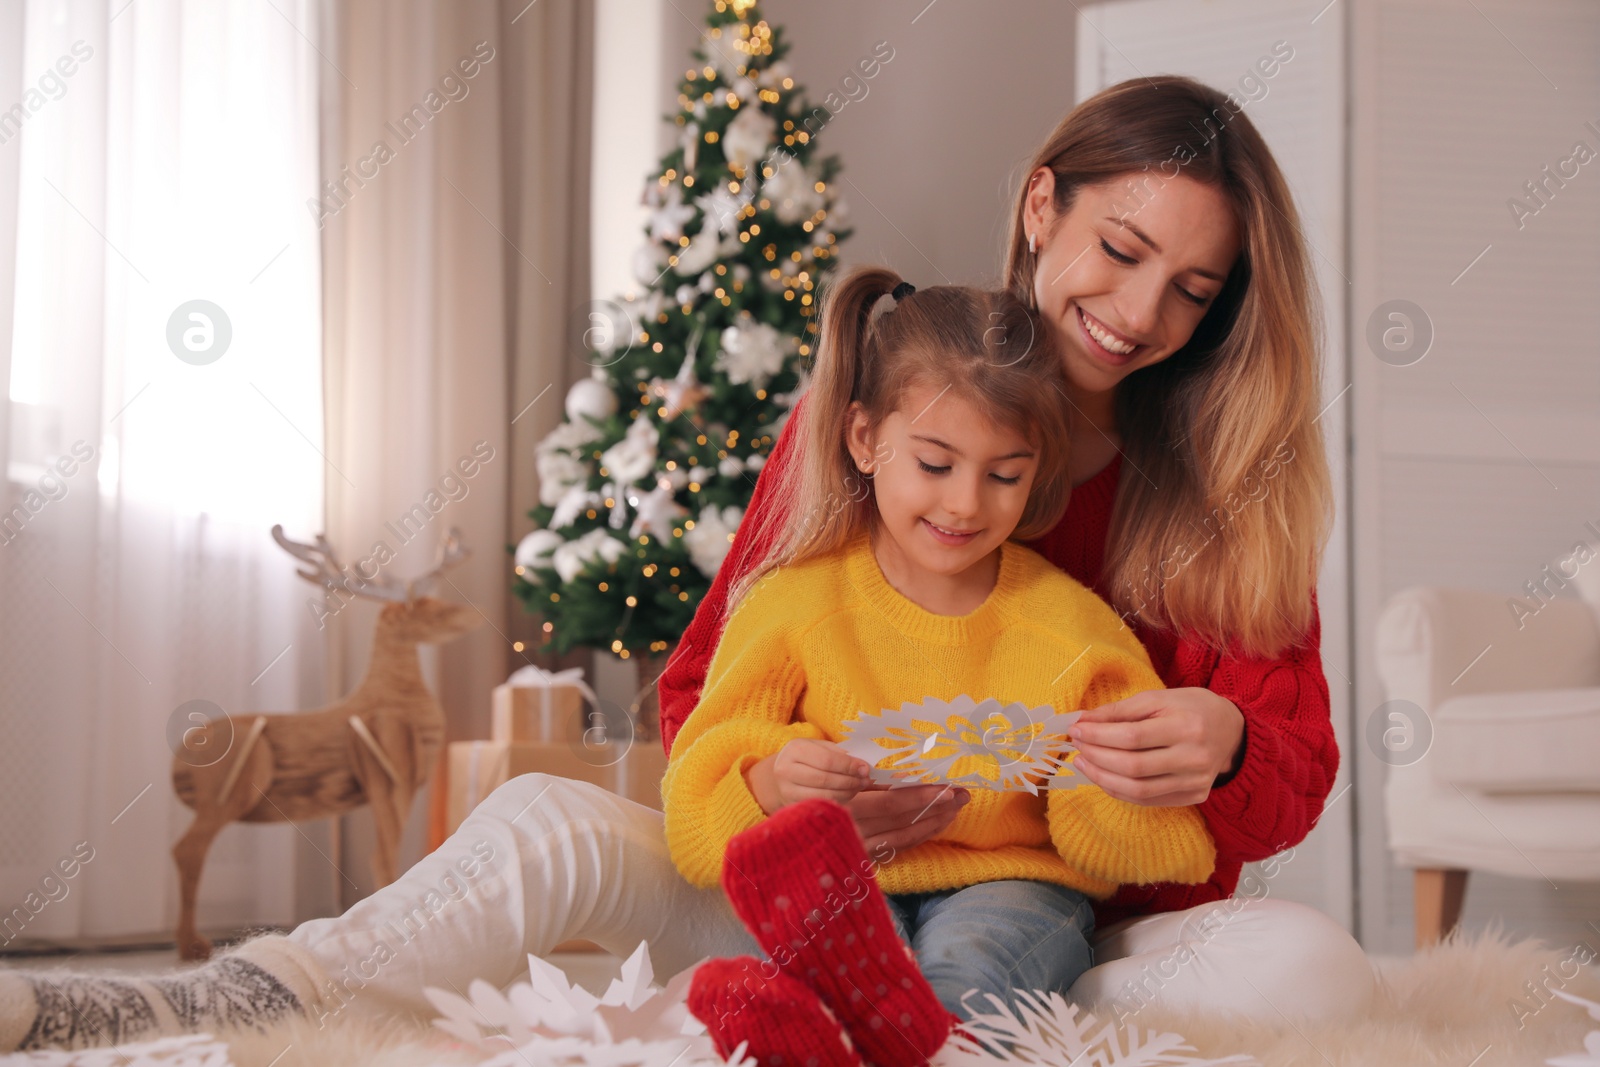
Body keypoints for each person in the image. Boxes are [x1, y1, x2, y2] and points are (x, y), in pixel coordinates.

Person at [0, 74, 1374, 1053]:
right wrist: (783, 779)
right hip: (807, 884)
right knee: (547, 821)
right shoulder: (881, 401)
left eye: (1195, 290)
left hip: (1056, 919)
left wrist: (1225, 741)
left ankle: (938, 1028)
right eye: (1121, 250)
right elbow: (705, 691)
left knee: (1309, 960)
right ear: (1041, 206)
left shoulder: (1224, 497)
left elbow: (1291, 778)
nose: (1140, 312)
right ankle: (222, 996)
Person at [662, 266, 1217, 1024]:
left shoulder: (1072, 627)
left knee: (970, 972)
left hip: (1013, 885)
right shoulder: (794, 602)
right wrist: (766, 787)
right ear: (865, 438)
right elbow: (693, 805)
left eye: (1004, 475)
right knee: (826, 967)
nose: (964, 502)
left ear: (1037, 473)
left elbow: (1162, 847)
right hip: (844, 874)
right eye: (934, 464)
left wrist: (1097, 786)